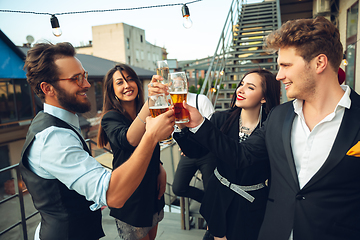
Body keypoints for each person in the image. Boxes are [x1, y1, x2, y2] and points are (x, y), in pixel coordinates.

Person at [177, 16, 360, 240]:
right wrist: (196, 124)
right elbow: (242, 156)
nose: (279, 75)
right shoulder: (279, 117)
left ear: (319, 63)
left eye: (286, 65)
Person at [19, 42, 175, 240]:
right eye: (76, 79)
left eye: (84, 76)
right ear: (48, 88)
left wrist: (158, 164)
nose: (87, 84)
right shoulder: (53, 138)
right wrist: (152, 136)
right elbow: (112, 195)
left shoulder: (62, 124)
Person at [174, 69, 280, 240]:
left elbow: (240, 157)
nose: (240, 89)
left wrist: (200, 123)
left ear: (264, 97)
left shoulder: (272, 128)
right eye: (241, 84)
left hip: (250, 204)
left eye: (250, 87)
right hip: (217, 197)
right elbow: (195, 151)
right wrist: (182, 127)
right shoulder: (220, 119)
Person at [97, 63, 169, 240]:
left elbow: (153, 145)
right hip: (130, 197)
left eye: (130, 79)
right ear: (112, 90)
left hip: (152, 190)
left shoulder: (149, 112)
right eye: (120, 82)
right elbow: (130, 140)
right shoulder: (110, 117)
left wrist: (160, 167)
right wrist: (150, 102)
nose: (127, 85)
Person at [172, 91, 215, 204]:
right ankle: (207, 201)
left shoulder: (201, 99)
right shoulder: (170, 103)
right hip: (188, 154)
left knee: (211, 188)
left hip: (207, 153)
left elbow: (213, 128)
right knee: (178, 188)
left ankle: (211, 206)